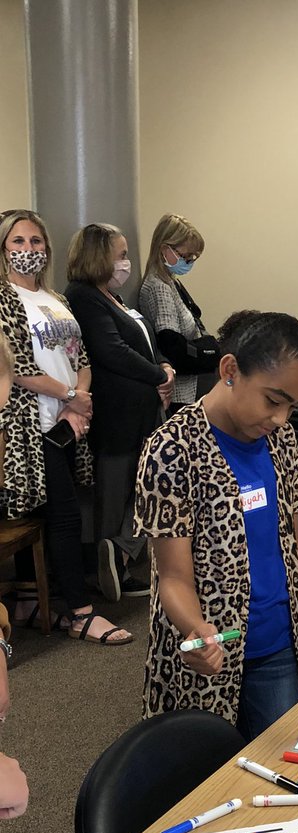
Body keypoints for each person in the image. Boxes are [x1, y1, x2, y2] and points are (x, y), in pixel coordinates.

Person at [135, 310, 298, 740]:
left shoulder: (279, 441)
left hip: (275, 643)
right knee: (205, 782)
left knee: (283, 766)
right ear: (230, 370)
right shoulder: (171, 449)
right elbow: (174, 577)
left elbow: (292, 541)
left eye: (293, 405)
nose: (282, 418)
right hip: (209, 652)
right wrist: (196, 631)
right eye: (273, 401)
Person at [0, 209, 131, 645]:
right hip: (29, 425)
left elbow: (82, 357)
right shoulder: (2, 299)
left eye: (35, 242)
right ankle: (80, 613)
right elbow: (14, 365)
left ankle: (32, 601)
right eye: (17, 242)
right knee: (62, 517)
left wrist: (80, 402)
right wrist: (69, 396)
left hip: (66, 421)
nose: (27, 251)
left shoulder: (56, 297)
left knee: (62, 511)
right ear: (3, 248)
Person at [66, 223, 175, 603]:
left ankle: (120, 553)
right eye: (122, 253)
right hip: (116, 415)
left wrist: (164, 366)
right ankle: (111, 566)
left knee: (146, 486)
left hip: (142, 411)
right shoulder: (83, 297)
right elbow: (111, 351)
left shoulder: (114, 296)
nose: (127, 262)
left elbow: (146, 343)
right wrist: (158, 373)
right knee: (116, 492)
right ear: (99, 256)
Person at [139, 212, 219, 411]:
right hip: (181, 394)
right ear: (165, 248)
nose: (189, 262)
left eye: (193, 258)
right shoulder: (158, 286)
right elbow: (171, 346)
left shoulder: (171, 281)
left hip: (191, 387)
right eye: (185, 257)